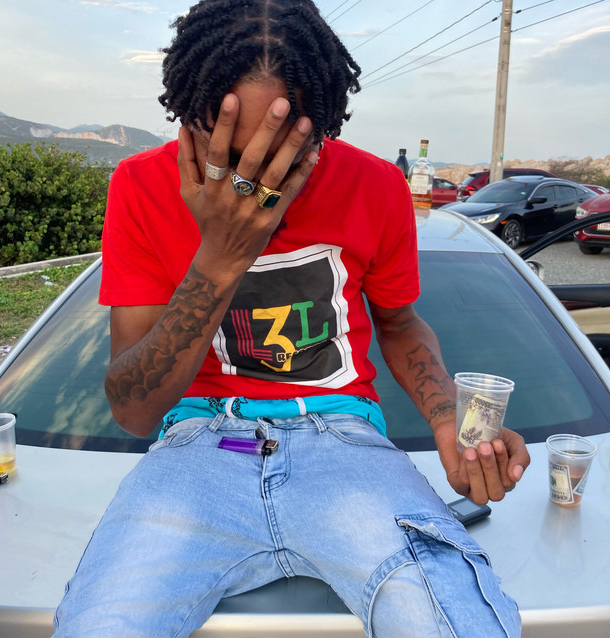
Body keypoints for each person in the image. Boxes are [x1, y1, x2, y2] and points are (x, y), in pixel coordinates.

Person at [53, 1, 530, 636]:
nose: (252, 181)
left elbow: (399, 322)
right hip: (198, 445)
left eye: (282, 152)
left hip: (344, 441)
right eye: (229, 150)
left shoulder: (375, 186)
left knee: (453, 617)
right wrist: (222, 254)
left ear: (321, 125)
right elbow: (135, 411)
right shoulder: (141, 186)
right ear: (189, 118)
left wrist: (447, 417)